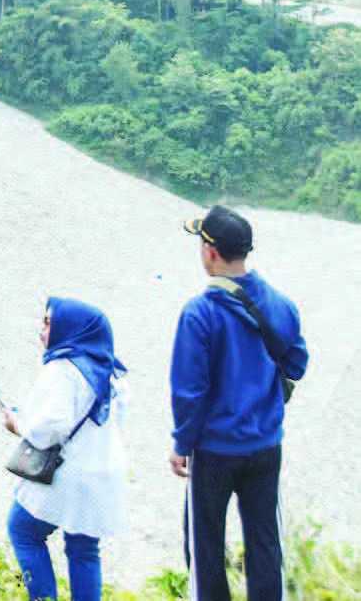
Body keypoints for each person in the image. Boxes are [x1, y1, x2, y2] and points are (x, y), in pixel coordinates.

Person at [173, 206, 309, 601]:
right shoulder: (280, 304)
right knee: (266, 543)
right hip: (266, 446)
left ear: (210, 251)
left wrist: (182, 445)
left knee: (205, 547)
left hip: (214, 451)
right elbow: (297, 365)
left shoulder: (199, 314)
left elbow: (189, 392)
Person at [0, 298, 129, 601]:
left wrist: (17, 425)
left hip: (68, 474)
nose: (42, 330)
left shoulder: (63, 368)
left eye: (48, 322)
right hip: (103, 476)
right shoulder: (111, 372)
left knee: (23, 531)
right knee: (84, 550)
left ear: (71, 328)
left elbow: (52, 426)